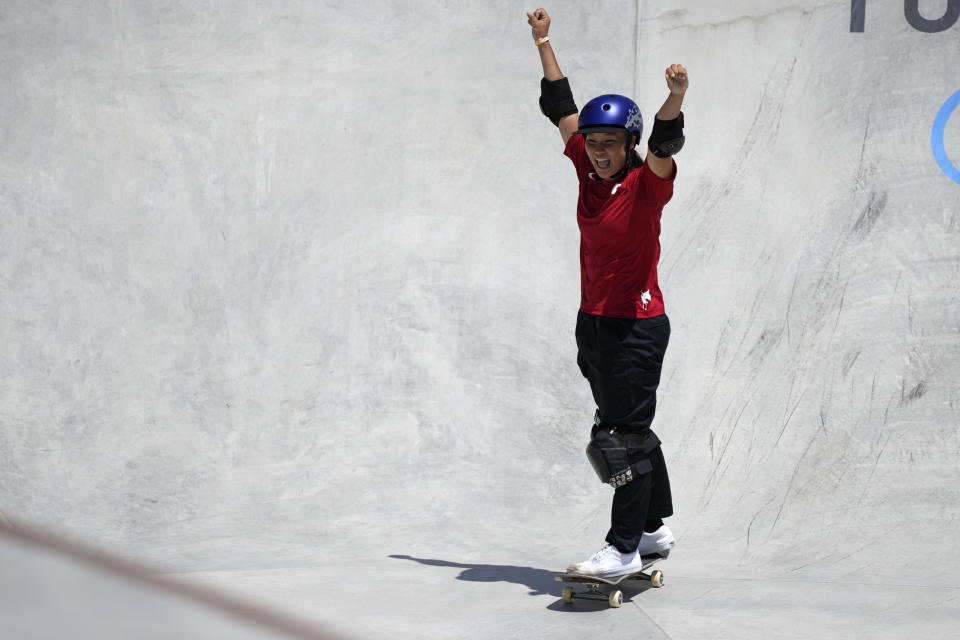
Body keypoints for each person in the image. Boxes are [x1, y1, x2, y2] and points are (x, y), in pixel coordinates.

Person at [526, 8, 689, 578]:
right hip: (594, 321)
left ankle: (621, 550)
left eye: (609, 143)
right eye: (593, 142)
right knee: (627, 431)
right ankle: (654, 530)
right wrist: (544, 41)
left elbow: (668, 140)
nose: (597, 150)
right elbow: (560, 106)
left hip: (638, 326)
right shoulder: (584, 167)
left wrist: (674, 96)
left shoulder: (648, 187)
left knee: (619, 441)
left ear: (629, 144)